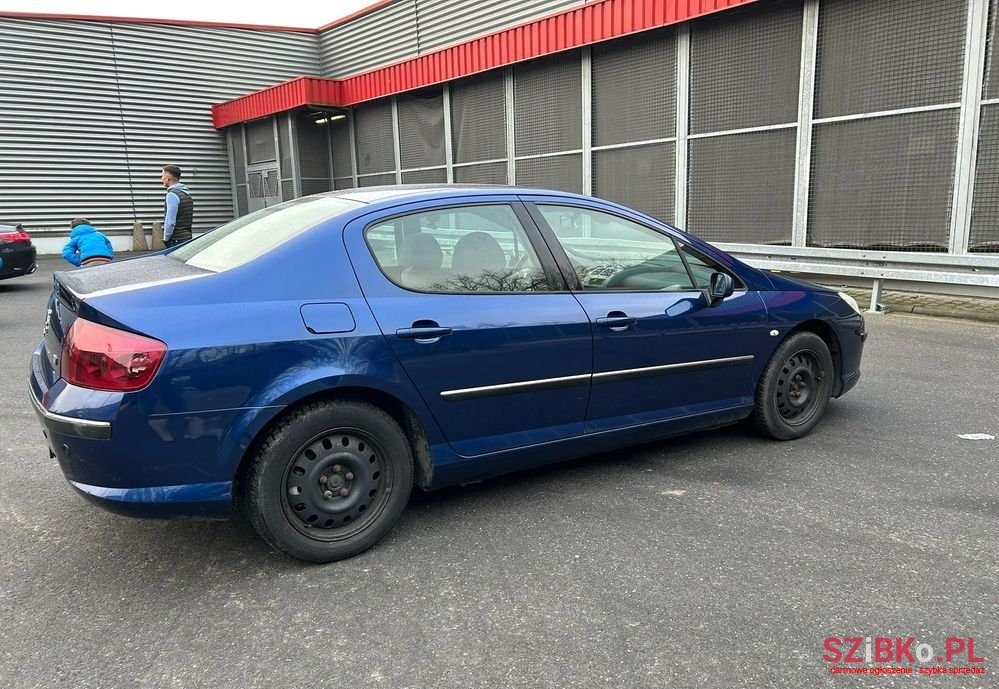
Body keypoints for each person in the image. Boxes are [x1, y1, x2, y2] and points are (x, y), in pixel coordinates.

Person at [160, 164, 194, 247]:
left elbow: (170, 221)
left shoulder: (172, 195)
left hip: (176, 240)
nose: (161, 179)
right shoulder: (186, 194)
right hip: (187, 237)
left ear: (168, 178)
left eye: (162, 176)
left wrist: (166, 238)